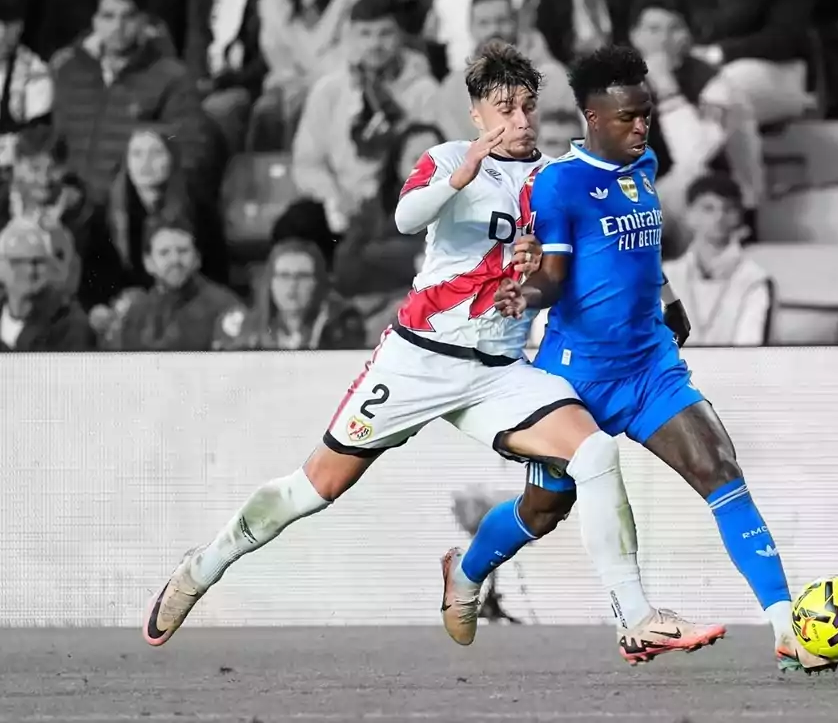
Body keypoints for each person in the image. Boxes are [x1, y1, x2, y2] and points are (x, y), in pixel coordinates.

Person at [142, 41, 724, 663]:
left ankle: (633, 615)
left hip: (499, 373)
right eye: (504, 109)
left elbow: (596, 254)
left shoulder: (557, 178)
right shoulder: (447, 158)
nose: (520, 121)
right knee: (315, 488)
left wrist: (652, 292)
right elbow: (404, 218)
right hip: (417, 361)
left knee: (594, 453)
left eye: (528, 107)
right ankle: (203, 566)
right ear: (477, 114)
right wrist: (460, 176)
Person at [450, 44, 834, 674]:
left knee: (720, 467)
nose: (640, 127)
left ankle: (785, 624)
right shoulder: (558, 185)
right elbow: (552, 276)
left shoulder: (644, 164)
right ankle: (465, 571)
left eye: (646, 115)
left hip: (650, 366)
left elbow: (642, 248)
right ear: (591, 118)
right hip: (576, 376)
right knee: (543, 510)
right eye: (627, 116)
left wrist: (669, 295)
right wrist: (526, 293)